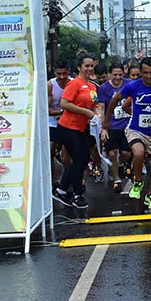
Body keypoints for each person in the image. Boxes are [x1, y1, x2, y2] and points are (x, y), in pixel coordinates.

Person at [105, 58, 151, 210]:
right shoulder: (133, 86)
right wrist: (106, 120)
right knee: (138, 153)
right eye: (145, 73)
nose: (149, 76)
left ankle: (150, 195)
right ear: (141, 72)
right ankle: (138, 181)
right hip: (136, 129)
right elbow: (115, 100)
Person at [53, 53, 100, 209]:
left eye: (91, 66)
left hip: (81, 128)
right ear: (79, 67)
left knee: (81, 159)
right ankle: (77, 194)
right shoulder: (75, 84)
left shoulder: (92, 85)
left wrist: (96, 114)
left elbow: (94, 105)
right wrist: (85, 112)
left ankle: (61, 189)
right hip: (68, 127)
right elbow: (64, 103)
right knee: (80, 159)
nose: (89, 68)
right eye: (86, 66)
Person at [98, 63, 131, 192]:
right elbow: (101, 107)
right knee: (112, 153)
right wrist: (103, 127)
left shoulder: (129, 84)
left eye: (120, 75)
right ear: (110, 74)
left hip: (127, 125)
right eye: (115, 75)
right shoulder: (103, 88)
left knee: (126, 153)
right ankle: (117, 178)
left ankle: (121, 164)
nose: (117, 78)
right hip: (112, 125)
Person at [48, 60, 72, 182]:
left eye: (64, 74)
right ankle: (51, 183)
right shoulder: (50, 85)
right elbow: (47, 110)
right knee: (50, 151)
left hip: (69, 123)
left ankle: (68, 180)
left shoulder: (73, 83)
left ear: (69, 71)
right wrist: (62, 112)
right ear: (54, 72)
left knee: (67, 154)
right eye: (59, 74)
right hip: (53, 122)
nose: (62, 77)